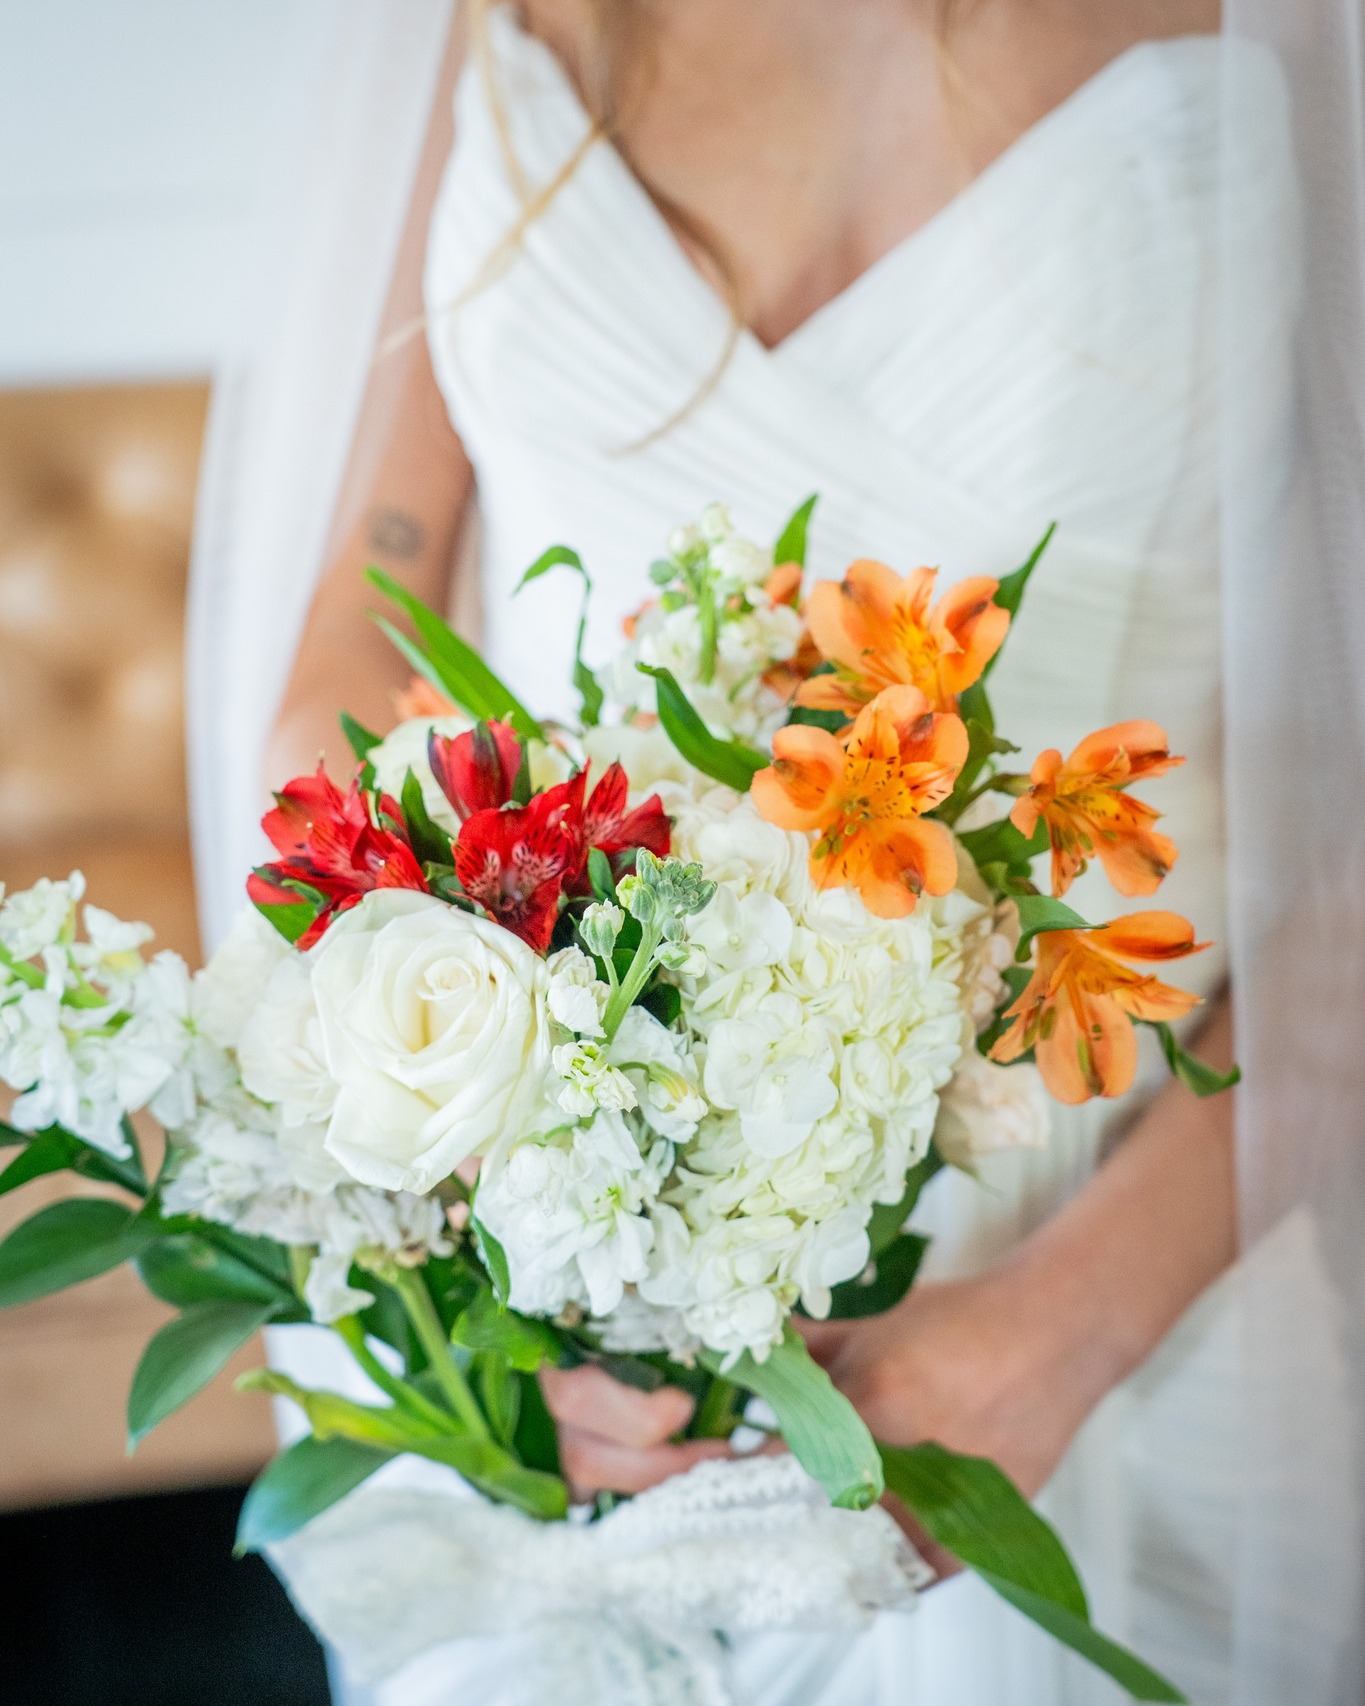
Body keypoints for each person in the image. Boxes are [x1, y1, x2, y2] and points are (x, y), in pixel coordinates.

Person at [225, 1, 1358, 1701]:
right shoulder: (511, 19)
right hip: (569, 1273)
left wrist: (1062, 1327)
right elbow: (347, 649)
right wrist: (473, 1197)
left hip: (1124, 1250)